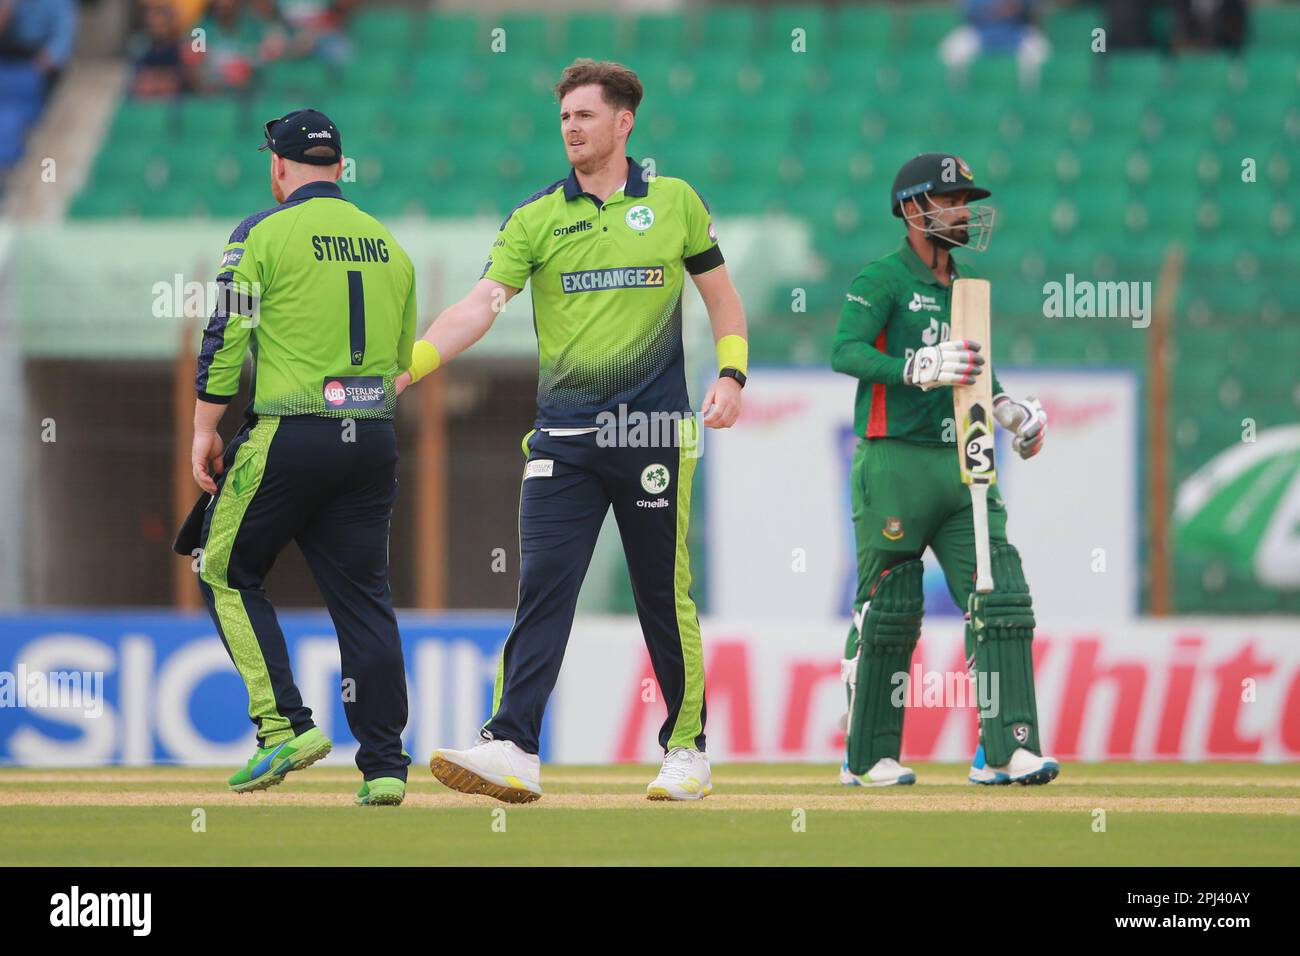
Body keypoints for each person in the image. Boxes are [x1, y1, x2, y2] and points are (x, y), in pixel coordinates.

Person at [398, 59, 748, 804]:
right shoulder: (535, 217)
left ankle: (686, 751)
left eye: (584, 116)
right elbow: (480, 304)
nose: (571, 129)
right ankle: (514, 744)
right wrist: (410, 367)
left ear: (623, 123)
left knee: (662, 592)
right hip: (564, 440)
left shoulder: (677, 203)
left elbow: (723, 301)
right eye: (564, 118)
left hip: (653, 434)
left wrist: (731, 375)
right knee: (544, 589)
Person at [184, 109, 416, 806]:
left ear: (278, 167)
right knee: (365, 598)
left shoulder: (260, 232)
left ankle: (282, 725)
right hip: (370, 436)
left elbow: (226, 331)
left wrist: (205, 427)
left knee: (222, 568)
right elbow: (402, 361)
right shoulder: (391, 243)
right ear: (340, 167)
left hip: (292, 430)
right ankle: (383, 764)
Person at [831, 152, 1058, 787]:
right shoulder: (881, 279)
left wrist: (1009, 410)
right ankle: (867, 757)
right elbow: (843, 351)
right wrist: (912, 367)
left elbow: (977, 370)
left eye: (965, 202)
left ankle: (1006, 748)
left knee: (999, 595)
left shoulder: (968, 288)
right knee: (890, 608)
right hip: (895, 460)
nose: (963, 212)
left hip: (965, 464)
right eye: (950, 201)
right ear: (912, 210)